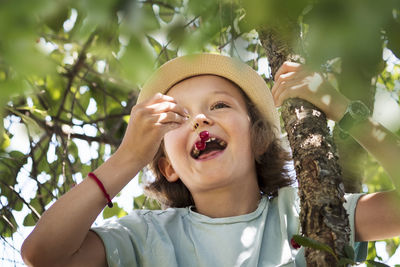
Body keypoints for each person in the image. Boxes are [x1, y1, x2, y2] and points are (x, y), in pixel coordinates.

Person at [21, 53, 400, 266]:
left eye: (219, 105)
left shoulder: (305, 210)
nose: (201, 119)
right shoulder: (146, 238)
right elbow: (43, 255)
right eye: (178, 118)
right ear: (167, 166)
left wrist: (344, 110)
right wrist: (128, 157)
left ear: (259, 139)